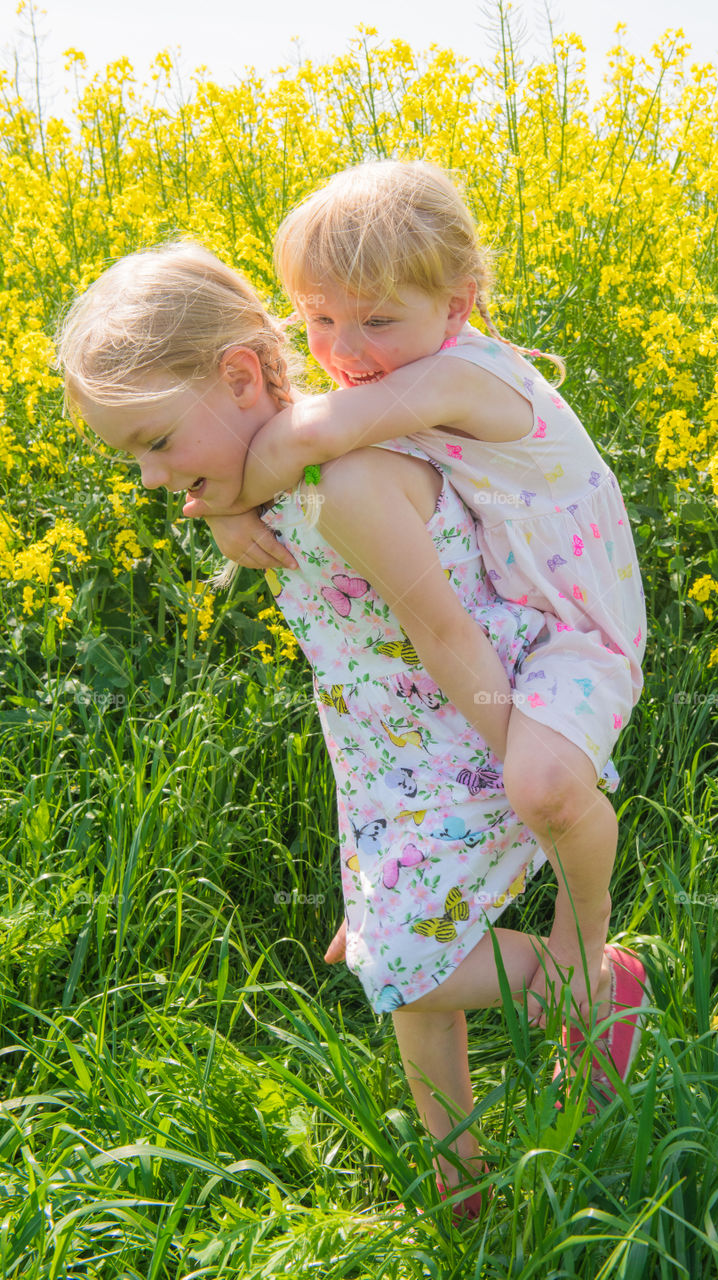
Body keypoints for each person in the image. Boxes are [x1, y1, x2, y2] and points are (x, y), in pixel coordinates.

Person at [57, 241, 647, 1218]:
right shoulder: (267, 487)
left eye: (158, 441)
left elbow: (445, 628)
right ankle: (464, 1186)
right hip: (378, 746)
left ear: (240, 374)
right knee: (409, 980)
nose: (158, 477)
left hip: (463, 720)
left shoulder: (352, 485)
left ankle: (578, 979)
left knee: (406, 966)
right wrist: (222, 513)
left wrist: (513, 762)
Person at [182, 159, 647, 1049]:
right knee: (503, 797)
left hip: (577, 630)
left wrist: (222, 503)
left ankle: (587, 954)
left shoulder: (463, 378)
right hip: (513, 614)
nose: (344, 350)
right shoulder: (395, 370)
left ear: (458, 306)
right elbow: (317, 449)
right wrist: (233, 505)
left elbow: (313, 436)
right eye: (317, 319)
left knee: (543, 783)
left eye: (377, 320)